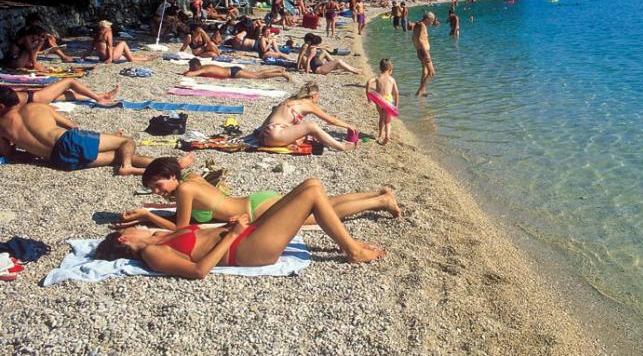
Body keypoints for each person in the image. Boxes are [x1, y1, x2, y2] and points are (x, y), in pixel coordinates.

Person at [95, 178, 386, 276]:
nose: (137, 229)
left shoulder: (159, 238)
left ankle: (352, 242)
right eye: (129, 230)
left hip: (244, 232)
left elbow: (194, 232)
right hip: (245, 250)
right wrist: (231, 236)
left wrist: (230, 226)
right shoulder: (153, 254)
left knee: (312, 185)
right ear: (123, 240)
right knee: (311, 194)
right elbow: (198, 271)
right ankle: (352, 250)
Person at [115, 156, 401, 230]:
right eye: (153, 189)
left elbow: (181, 228)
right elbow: (189, 212)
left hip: (256, 211)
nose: (157, 191)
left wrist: (147, 216)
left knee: (319, 216)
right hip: (256, 201)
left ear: (171, 176)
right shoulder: (191, 179)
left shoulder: (185, 190)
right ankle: (377, 194)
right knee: (324, 204)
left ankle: (379, 201)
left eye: (158, 185)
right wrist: (147, 212)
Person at [0, 94, 154, 175]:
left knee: (117, 156)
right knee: (126, 142)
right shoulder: (36, 107)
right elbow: (73, 126)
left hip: (57, 160)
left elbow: (8, 153)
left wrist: (29, 148)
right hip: (69, 140)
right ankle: (127, 166)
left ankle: (162, 164)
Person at [259, 82, 359, 151]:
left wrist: (260, 135)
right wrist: (348, 126)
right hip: (276, 136)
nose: (318, 100)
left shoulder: (289, 101)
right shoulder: (308, 103)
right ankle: (341, 147)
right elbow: (331, 121)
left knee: (305, 133)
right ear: (313, 96)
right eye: (318, 97)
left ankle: (290, 142)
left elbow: (270, 117)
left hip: (265, 136)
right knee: (311, 126)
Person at [0, 81, 118, 107]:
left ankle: (102, 95)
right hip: (35, 98)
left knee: (65, 95)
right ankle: (98, 98)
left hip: (29, 97)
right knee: (69, 82)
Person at [366, 58, 399, 144]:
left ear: (380, 68)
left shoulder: (377, 77)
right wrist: (396, 105)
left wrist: (368, 95)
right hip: (388, 102)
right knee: (388, 121)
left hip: (379, 100)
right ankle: (387, 136)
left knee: (381, 117)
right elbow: (396, 93)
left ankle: (380, 134)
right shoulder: (392, 79)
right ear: (390, 69)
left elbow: (368, 82)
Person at [182, 59, 291, 82]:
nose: (190, 68)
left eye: (191, 66)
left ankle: (281, 74)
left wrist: (186, 73)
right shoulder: (205, 66)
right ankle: (277, 69)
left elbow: (190, 74)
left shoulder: (203, 69)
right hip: (233, 70)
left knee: (257, 76)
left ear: (196, 65)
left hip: (233, 73)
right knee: (257, 73)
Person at [412, 12, 437, 97]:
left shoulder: (418, 25)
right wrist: (426, 53)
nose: (432, 23)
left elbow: (414, 39)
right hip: (424, 51)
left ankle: (422, 91)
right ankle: (420, 92)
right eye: (432, 20)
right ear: (427, 19)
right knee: (431, 72)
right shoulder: (422, 26)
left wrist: (417, 50)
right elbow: (420, 40)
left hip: (420, 51)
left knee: (425, 72)